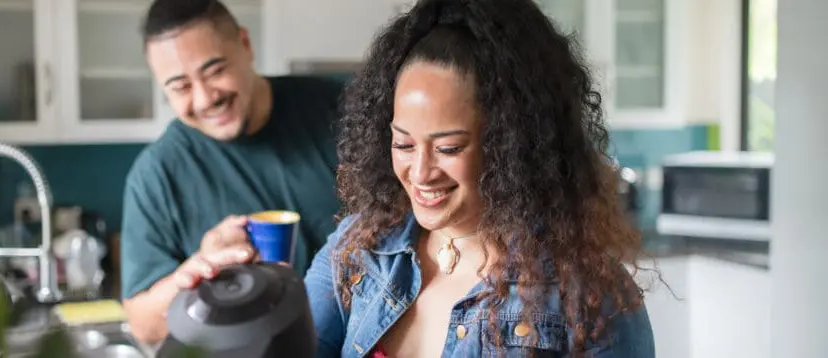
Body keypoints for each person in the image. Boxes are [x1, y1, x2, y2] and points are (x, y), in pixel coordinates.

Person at [304, 0, 656, 357]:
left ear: (512, 145)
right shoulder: (357, 250)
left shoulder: (592, 298)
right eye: (404, 143)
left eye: (449, 148)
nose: (421, 172)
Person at [121, 0, 343, 344]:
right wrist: (201, 267)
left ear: (245, 44)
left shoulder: (339, 110)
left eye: (215, 71)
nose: (205, 98)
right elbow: (144, 325)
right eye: (180, 87)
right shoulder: (156, 175)